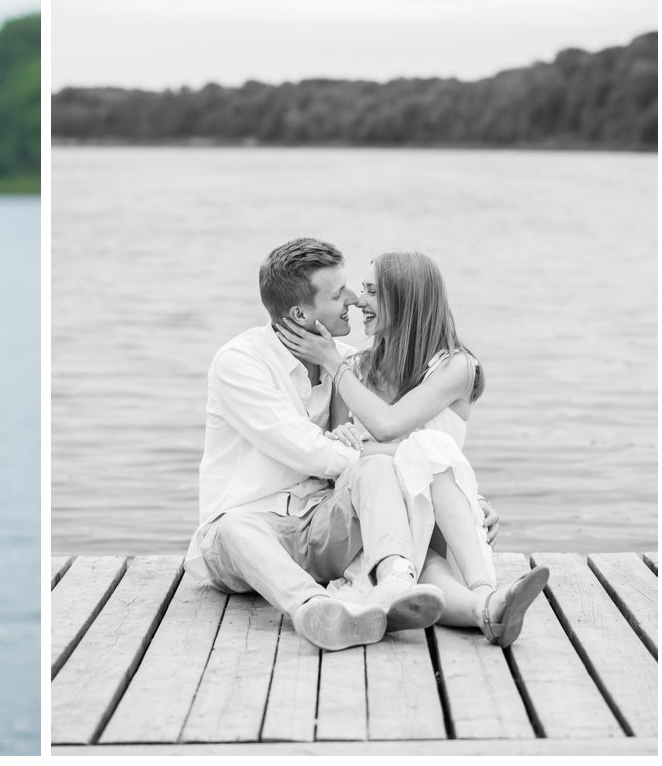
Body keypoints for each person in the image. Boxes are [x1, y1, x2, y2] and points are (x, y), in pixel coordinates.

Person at [184, 238, 460, 651]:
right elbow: (308, 450)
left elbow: (409, 442)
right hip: (254, 534)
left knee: (378, 469)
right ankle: (314, 608)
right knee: (230, 527)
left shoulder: (344, 363)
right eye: (337, 294)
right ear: (299, 314)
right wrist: (375, 453)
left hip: (322, 523)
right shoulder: (240, 363)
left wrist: (461, 493)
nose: (353, 299)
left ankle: (395, 584)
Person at [276, 250, 547, 647]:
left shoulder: (454, 367)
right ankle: (488, 606)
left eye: (371, 291)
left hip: (447, 521)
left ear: (404, 301)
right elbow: (335, 460)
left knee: (431, 450)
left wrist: (335, 366)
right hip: (386, 521)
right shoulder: (358, 371)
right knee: (422, 570)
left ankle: (482, 583)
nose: (357, 300)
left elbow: (390, 426)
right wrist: (342, 425)